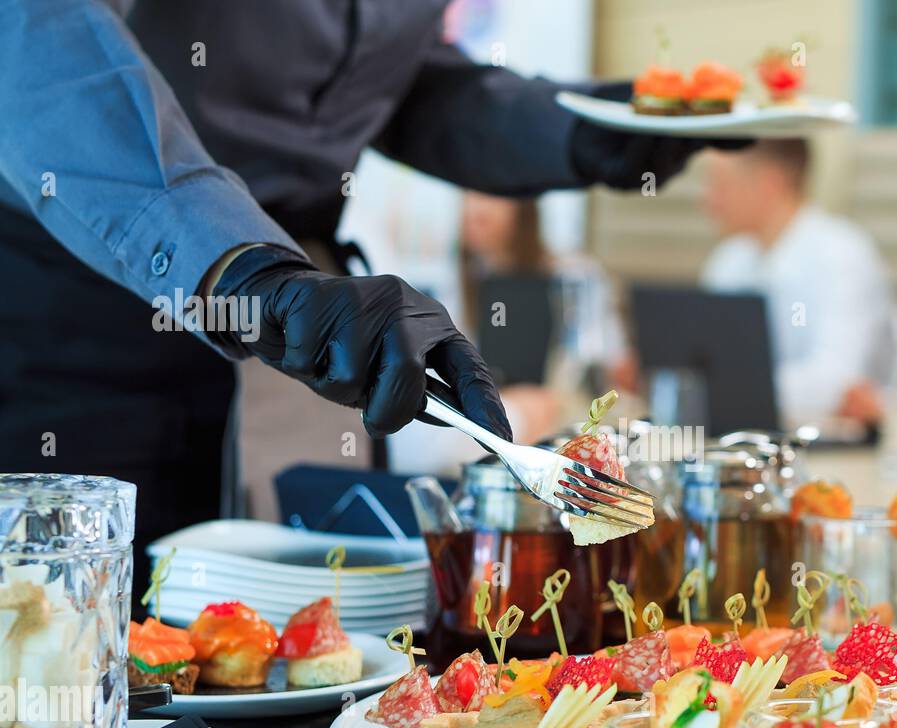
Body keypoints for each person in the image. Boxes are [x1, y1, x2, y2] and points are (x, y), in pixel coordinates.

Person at [0, 1, 725, 603]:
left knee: (278, 670)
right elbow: (36, 31)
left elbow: (402, 87)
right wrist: (236, 261)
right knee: (68, 687)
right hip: (71, 319)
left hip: (299, 331)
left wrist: (576, 129)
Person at [387, 191, 628, 475]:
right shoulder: (445, 285)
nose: (475, 207)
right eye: (467, 193)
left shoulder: (575, 278)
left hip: (559, 444)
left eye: (488, 193)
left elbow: (616, 372)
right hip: (483, 446)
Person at [698, 139, 895, 431]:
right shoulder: (728, 260)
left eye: (721, 185)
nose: (707, 200)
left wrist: (727, 387)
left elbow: (836, 380)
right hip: (748, 436)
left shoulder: (842, 254)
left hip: (842, 448)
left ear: (769, 184)